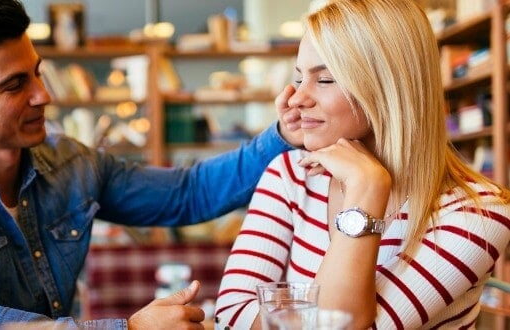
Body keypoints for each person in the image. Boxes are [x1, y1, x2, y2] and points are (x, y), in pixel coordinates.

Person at [0, 0, 302, 329]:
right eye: (16, 85)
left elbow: (189, 193)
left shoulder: (71, 163)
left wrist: (282, 135)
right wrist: (125, 329)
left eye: (37, 72)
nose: (43, 94)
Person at [214, 0, 510, 329]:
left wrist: (366, 190)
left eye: (324, 80)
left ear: (389, 89)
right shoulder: (290, 176)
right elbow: (230, 318)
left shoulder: (478, 214)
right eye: (299, 79)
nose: (297, 98)